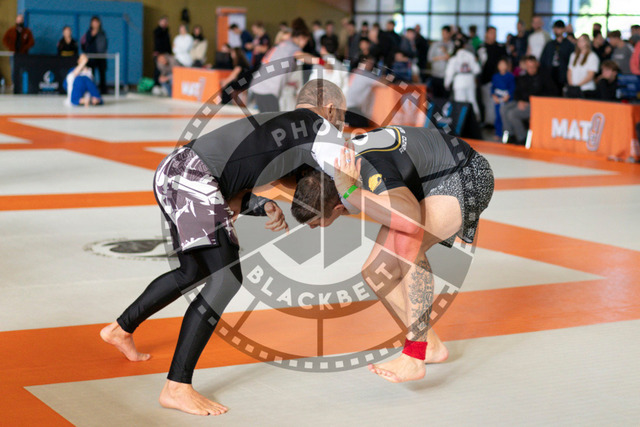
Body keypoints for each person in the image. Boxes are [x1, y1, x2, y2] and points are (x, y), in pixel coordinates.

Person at [100, 79, 348, 416]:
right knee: (227, 279)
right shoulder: (318, 127)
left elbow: (238, 181)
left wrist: (263, 205)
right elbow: (349, 178)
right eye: (341, 116)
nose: (341, 124)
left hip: (175, 170)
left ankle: (120, 328)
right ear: (330, 108)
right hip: (196, 178)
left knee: (193, 271)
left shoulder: (280, 128)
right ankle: (177, 386)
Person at [291, 127, 494, 384]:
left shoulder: (369, 171)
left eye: (316, 223)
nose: (314, 229)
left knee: (408, 242)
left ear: (339, 207)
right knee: (377, 273)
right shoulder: (331, 166)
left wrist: (352, 192)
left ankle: (414, 357)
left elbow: (408, 221)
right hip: (427, 179)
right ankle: (431, 346)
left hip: (466, 174)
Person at [249, 18, 322, 113]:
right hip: (266, 89)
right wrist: (322, 61)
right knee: (274, 120)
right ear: (301, 37)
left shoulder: (283, 45)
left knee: (269, 119)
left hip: (260, 85)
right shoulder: (292, 47)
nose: (304, 45)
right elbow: (303, 56)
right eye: (305, 41)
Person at [501, 55, 557, 144]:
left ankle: (522, 138)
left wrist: (532, 101)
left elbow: (551, 93)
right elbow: (517, 92)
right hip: (521, 102)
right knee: (503, 109)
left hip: (535, 104)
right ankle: (510, 134)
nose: (531, 69)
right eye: (528, 67)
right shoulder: (523, 77)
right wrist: (519, 101)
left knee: (512, 114)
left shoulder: (544, 77)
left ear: (536, 65)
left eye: (532, 67)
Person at [445, 37, 481, 119]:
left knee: (460, 102)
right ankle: (476, 120)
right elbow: (477, 70)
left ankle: (461, 122)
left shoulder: (454, 58)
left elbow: (449, 73)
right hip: (470, 79)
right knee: (472, 101)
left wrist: (447, 83)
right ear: (464, 46)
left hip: (459, 80)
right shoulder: (470, 55)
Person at [478, 26, 507, 125]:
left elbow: (505, 62)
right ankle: (488, 122)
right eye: (491, 33)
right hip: (485, 79)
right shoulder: (482, 47)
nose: (493, 35)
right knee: (486, 101)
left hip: (499, 80)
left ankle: (497, 123)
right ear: (486, 34)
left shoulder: (500, 48)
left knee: (498, 102)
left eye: (495, 33)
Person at [345, 55, 383, 127]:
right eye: (369, 63)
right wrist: (387, 78)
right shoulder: (366, 74)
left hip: (347, 107)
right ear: (362, 63)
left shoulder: (354, 72)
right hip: (353, 109)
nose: (371, 65)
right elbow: (383, 84)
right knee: (365, 126)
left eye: (372, 63)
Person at [539, 20, 574, 95]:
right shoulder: (549, 44)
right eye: (555, 28)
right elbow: (543, 60)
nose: (556, 30)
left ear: (563, 29)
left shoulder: (569, 45)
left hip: (563, 75)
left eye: (559, 28)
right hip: (549, 75)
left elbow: (572, 62)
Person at [81, 16, 108, 95]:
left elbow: (104, 44)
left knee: (102, 74)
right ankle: (91, 90)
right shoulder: (89, 32)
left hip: (101, 57)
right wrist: (92, 35)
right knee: (91, 74)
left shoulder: (102, 33)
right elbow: (87, 42)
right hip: (92, 57)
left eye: (96, 22)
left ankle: (103, 90)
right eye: (94, 22)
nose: (95, 24)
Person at [567, 34, 599, 98]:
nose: (579, 43)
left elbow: (590, 75)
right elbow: (569, 71)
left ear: (587, 42)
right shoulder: (573, 55)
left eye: (582, 41)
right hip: (573, 89)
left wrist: (578, 85)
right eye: (578, 41)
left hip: (586, 89)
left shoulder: (592, 56)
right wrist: (572, 85)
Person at [491, 57, 516, 140]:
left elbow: (512, 88)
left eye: (503, 64)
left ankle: (507, 133)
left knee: (505, 116)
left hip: (506, 100)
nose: (501, 66)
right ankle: (498, 133)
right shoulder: (495, 76)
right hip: (498, 99)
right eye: (500, 64)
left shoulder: (510, 76)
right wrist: (494, 96)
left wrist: (507, 96)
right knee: (498, 116)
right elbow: (493, 88)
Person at [428, 25, 454, 98]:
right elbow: (430, 58)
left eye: (445, 33)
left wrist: (445, 52)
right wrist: (442, 57)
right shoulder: (435, 44)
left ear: (449, 34)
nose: (444, 35)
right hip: (435, 74)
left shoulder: (452, 45)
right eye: (442, 33)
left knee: (446, 96)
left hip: (447, 75)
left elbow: (452, 59)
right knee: (436, 96)